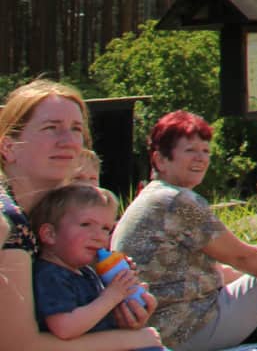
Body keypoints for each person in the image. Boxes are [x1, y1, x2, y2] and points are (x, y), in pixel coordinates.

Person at [112, 110, 257, 351]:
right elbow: (242, 257)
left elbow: (220, 271)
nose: (201, 159)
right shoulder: (175, 201)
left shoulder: (151, 198)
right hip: (184, 332)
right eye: (190, 151)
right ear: (159, 160)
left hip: (159, 327)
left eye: (206, 151)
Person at [2, 80, 161, 351]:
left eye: (76, 129)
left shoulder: (71, 217)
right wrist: (134, 339)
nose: (67, 141)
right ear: (8, 147)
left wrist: (120, 308)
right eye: (51, 128)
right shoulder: (8, 223)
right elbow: (19, 345)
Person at [29, 185, 154, 340]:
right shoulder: (50, 275)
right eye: (86, 224)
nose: (99, 236)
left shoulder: (87, 272)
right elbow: (64, 328)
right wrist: (111, 296)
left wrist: (131, 299)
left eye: (106, 229)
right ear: (50, 234)